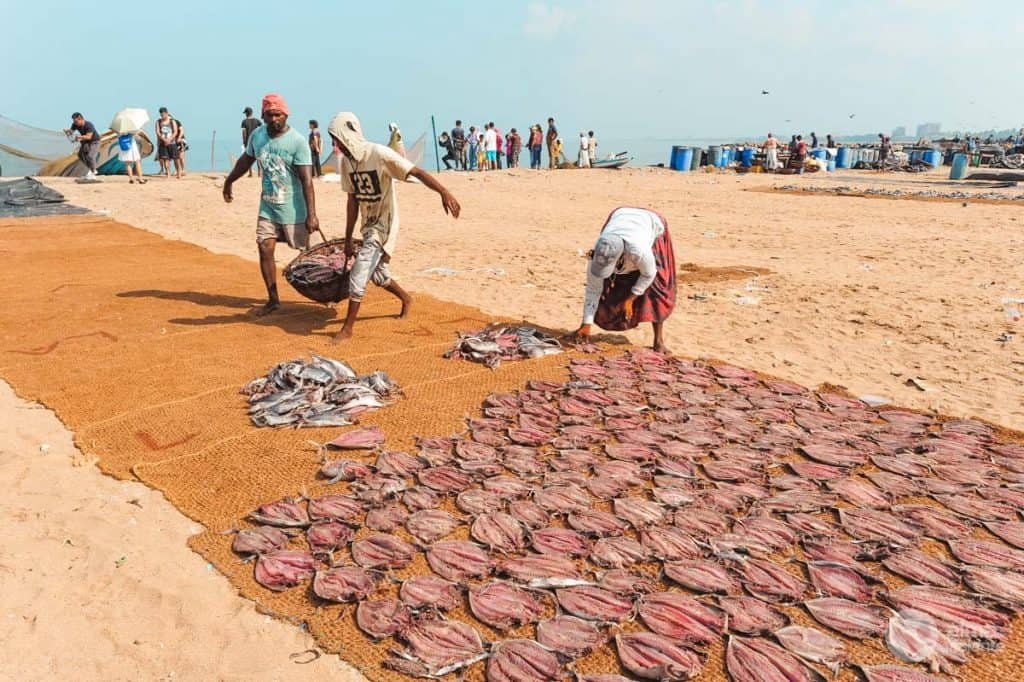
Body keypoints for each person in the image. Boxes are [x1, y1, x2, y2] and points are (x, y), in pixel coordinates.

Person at [326, 111, 460, 342]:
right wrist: (348, 238)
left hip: (384, 223)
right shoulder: (346, 163)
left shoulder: (379, 154)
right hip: (368, 224)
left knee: (360, 270)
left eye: (337, 139)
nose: (335, 145)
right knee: (378, 274)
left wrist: (443, 191)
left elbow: (414, 170)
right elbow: (352, 201)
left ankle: (348, 328)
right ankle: (406, 298)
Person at [222, 93, 319, 316]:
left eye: (278, 115)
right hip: (268, 207)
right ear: (263, 116)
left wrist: (312, 214)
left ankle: (324, 293)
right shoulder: (257, 136)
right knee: (265, 247)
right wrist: (229, 181)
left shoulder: (297, 142)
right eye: (269, 115)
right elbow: (246, 161)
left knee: (313, 255)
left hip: (296, 210)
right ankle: (273, 299)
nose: (274, 119)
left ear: (286, 115)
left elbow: (307, 181)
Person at [567, 207, 676, 354]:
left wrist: (631, 298)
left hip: (651, 224)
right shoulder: (599, 254)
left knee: (657, 288)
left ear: (622, 257)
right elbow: (593, 289)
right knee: (608, 285)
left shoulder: (640, 251)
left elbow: (649, 274)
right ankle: (584, 328)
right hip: (619, 216)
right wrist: (586, 323)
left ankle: (658, 341)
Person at [64, 112, 100, 180]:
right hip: (85, 142)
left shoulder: (89, 125)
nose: (75, 123)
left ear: (80, 118)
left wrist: (79, 137)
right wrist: (67, 131)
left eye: (76, 121)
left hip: (94, 141)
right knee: (81, 155)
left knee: (90, 156)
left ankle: (93, 172)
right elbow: (71, 132)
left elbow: (89, 137)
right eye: (74, 121)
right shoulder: (75, 124)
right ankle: (91, 170)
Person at [154, 108, 181, 178]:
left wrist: (169, 139)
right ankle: (168, 173)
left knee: (176, 159)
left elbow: (175, 131)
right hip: (162, 143)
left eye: (164, 114)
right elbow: (158, 132)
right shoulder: (158, 122)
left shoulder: (172, 121)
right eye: (161, 114)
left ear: (167, 113)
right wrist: (163, 139)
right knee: (165, 159)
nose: (163, 115)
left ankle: (178, 172)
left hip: (172, 143)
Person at [241, 107, 263, 177]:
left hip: (248, 141)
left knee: (249, 158)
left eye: (245, 113)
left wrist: (244, 142)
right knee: (258, 157)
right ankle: (259, 173)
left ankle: (251, 173)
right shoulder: (257, 121)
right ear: (252, 113)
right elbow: (262, 128)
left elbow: (244, 132)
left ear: (247, 113)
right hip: (257, 141)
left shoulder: (244, 121)